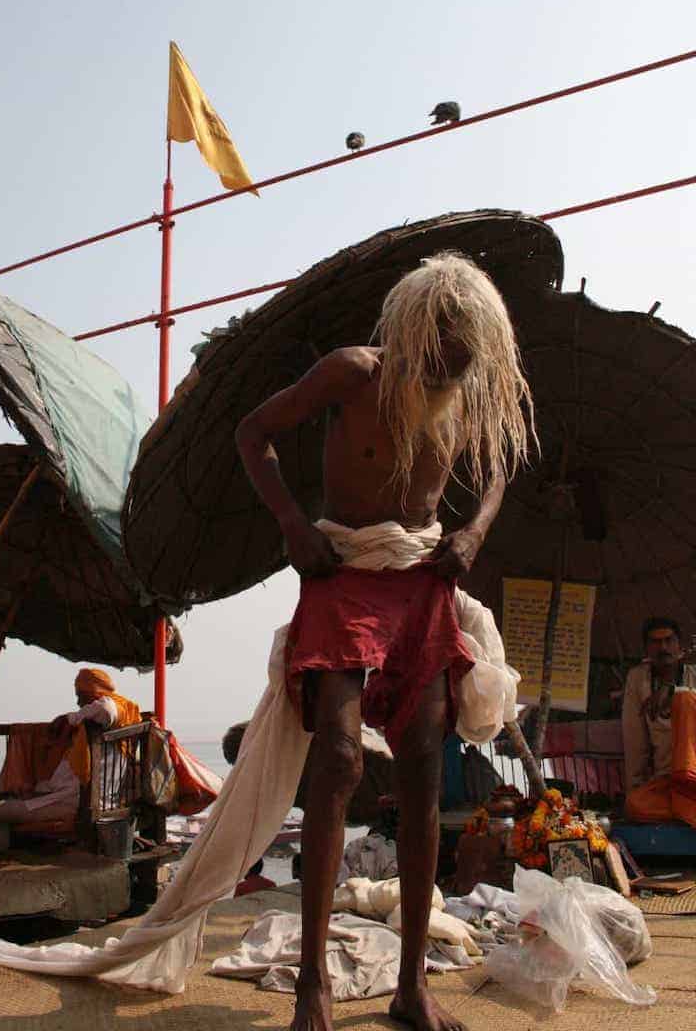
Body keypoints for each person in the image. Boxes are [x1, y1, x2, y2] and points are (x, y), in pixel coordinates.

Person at [235, 252, 532, 1031]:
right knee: (335, 757)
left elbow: (498, 469)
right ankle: (312, 990)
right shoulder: (351, 373)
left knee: (426, 772)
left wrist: (471, 533)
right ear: (410, 336)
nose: (448, 374)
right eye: (439, 359)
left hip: (421, 582)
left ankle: (409, 989)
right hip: (343, 571)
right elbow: (252, 432)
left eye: (461, 365)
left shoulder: (463, 397)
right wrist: (294, 526)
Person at [0, 667, 141, 825]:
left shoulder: (114, 709)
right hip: (79, 799)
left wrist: (70, 718)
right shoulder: (102, 727)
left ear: (94, 691)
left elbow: (106, 710)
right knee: (11, 801)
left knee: (0, 810)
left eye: (81, 696)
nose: (78, 703)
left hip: (77, 803)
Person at [622, 617, 696, 826]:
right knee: (634, 804)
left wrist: (671, 689)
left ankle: (686, 804)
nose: (662, 647)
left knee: (686, 700)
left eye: (668, 640)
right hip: (668, 784)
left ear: (679, 646)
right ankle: (686, 810)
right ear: (646, 649)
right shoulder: (638, 679)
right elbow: (634, 741)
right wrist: (635, 787)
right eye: (655, 642)